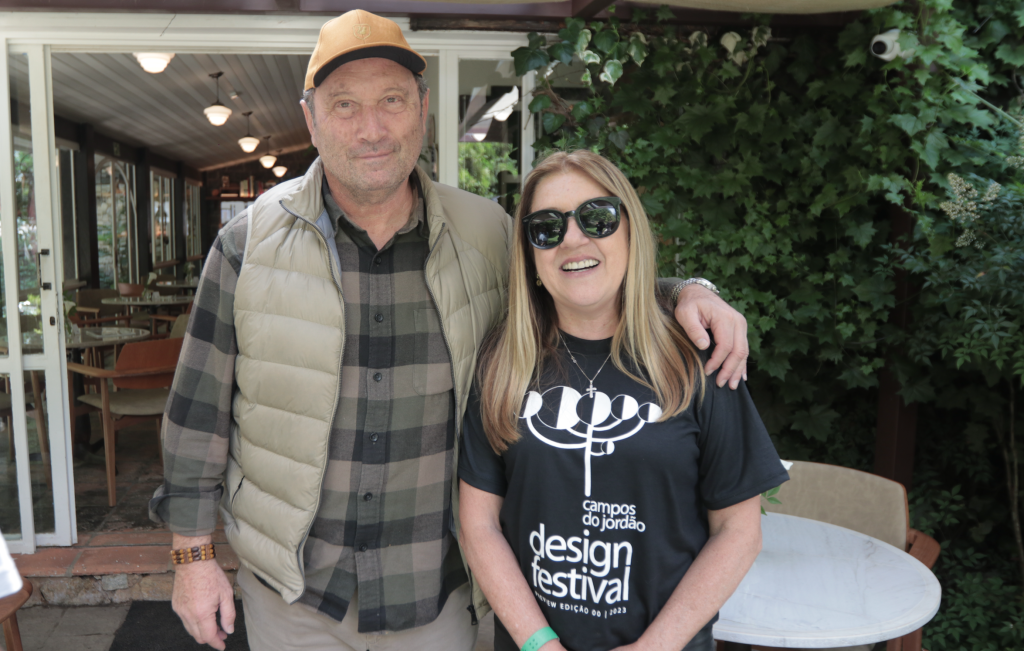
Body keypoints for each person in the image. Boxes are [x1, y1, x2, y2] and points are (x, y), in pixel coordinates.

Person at [149, 10, 752, 651]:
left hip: (433, 598)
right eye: (345, 105)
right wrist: (192, 559)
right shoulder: (246, 244)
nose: (372, 129)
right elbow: (196, 415)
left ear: (423, 107)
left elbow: (578, 284)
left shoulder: (486, 233)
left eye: (391, 101)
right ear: (311, 118)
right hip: (293, 596)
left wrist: (683, 294)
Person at [458, 150, 789, 651]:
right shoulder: (503, 360)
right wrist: (540, 645)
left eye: (597, 218)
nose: (573, 239)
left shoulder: (697, 356)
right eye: (545, 229)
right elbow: (479, 524)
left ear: (631, 229)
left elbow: (738, 532)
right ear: (529, 254)